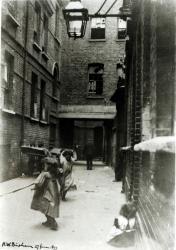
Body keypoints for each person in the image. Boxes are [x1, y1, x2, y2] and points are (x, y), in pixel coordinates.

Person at [31, 157, 61, 230]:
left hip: (47, 191)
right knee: (50, 206)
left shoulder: (45, 174)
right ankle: (49, 221)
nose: (44, 165)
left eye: (45, 164)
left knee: (44, 205)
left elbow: (39, 183)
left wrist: (35, 187)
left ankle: (53, 222)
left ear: (49, 165)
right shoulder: (56, 172)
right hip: (54, 191)